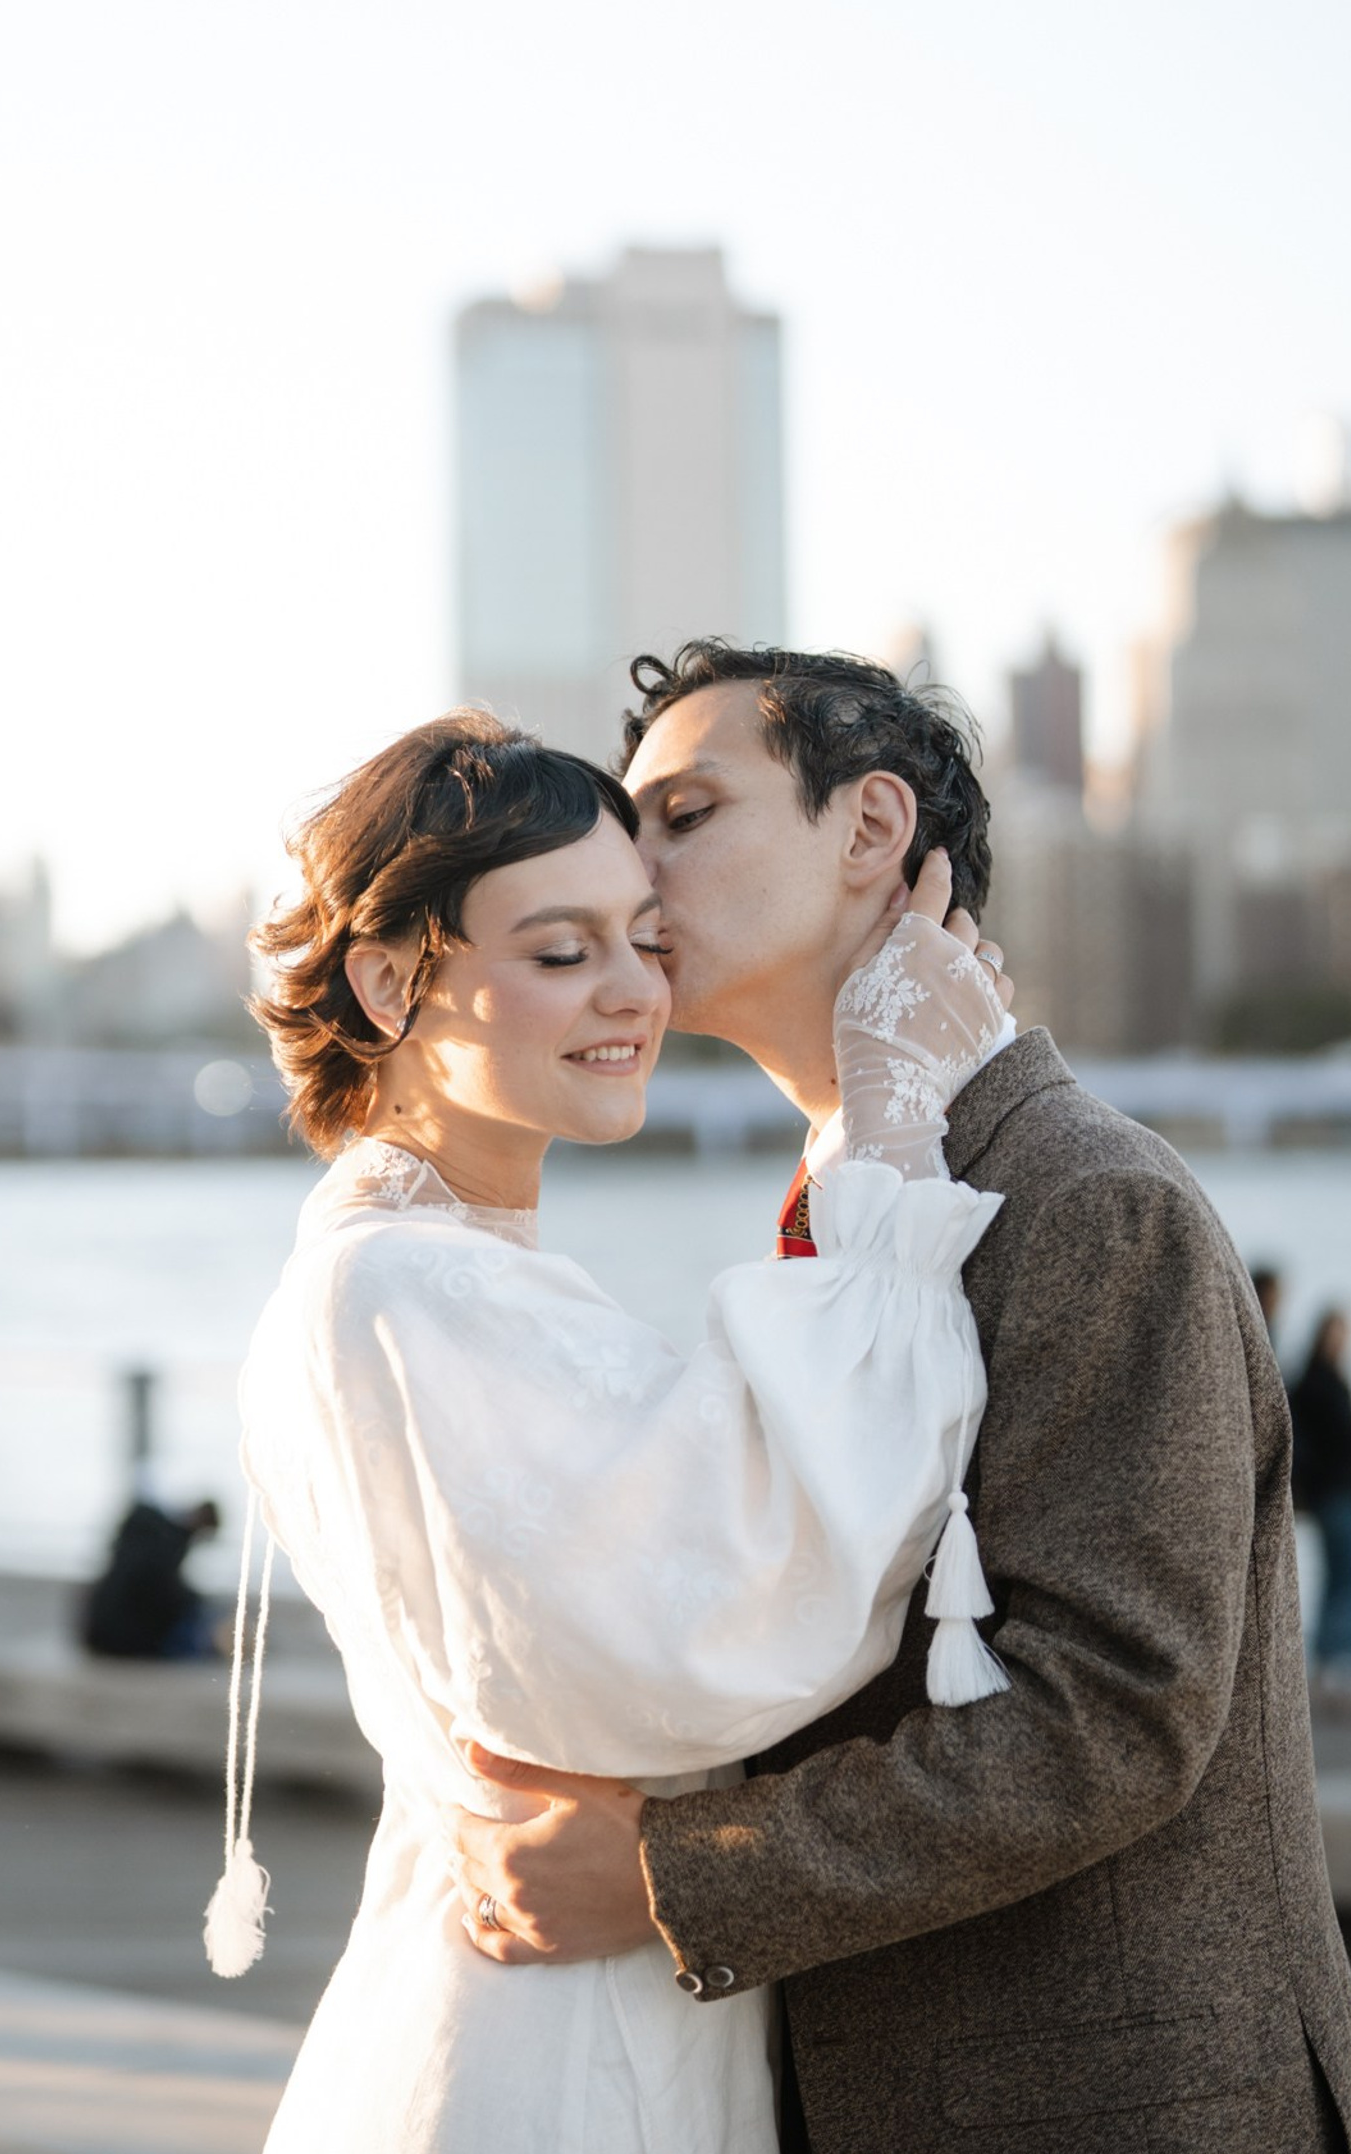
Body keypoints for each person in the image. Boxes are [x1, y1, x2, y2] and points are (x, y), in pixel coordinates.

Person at [446, 643, 1351, 2153]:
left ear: (871, 830)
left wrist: (670, 1876)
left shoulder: (1088, 1201)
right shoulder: (845, 1209)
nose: (634, 866)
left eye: (685, 813)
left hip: (1109, 2108)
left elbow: (1112, 1714)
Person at [224, 710, 1017, 2151]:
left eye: (644, 940)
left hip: (564, 2001)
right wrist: (890, 1119)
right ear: (395, 980)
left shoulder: (428, 1270)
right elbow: (745, 1599)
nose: (631, 993)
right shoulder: (408, 1285)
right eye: (558, 950)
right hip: (553, 2048)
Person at [1290, 1304, 1351, 1686]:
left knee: (1336, 1580)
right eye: (1338, 1332)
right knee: (1350, 1579)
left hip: (1331, 1494)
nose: (1342, 1341)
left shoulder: (1308, 1380)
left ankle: (1328, 1662)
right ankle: (1342, 1664)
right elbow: (1338, 1439)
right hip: (1339, 1493)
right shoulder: (1321, 1383)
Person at [80, 1497, 220, 1660]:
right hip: (122, 1637)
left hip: (100, 1633)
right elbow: (158, 1592)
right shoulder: (166, 1543)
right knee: (192, 1606)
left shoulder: (149, 1532)